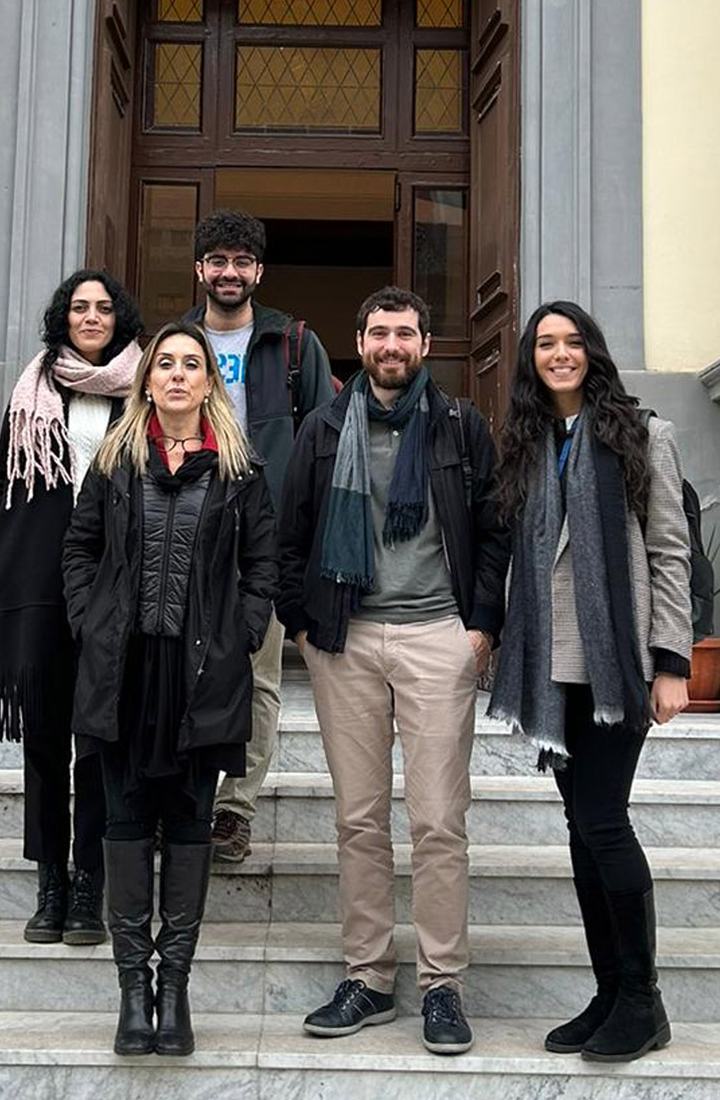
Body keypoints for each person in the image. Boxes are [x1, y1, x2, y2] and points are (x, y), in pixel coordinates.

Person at [278, 286, 508, 1056]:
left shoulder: (459, 425)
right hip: (345, 641)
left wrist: (480, 628)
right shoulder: (323, 428)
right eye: (379, 333)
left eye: (405, 334)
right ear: (360, 341)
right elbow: (290, 535)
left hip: (437, 636)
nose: (391, 346)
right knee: (359, 820)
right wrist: (303, 627)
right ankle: (369, 978)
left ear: (424, 344)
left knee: (438, 821)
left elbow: (494, 529)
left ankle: (443, 985)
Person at [62, 321, 278, 1057]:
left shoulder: (240, 471)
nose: (178, 375)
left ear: (209, 382)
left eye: (192, 364)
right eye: (166, 364)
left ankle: (175, 989)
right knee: (124, 820)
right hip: (123, 672)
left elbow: (263, 565)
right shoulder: (115, 461)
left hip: (201, 675)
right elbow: (80, 548)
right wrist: (90, 621)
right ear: (147, 381)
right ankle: (133, 992)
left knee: (188, 824)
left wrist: (242, 634)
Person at [486, 300, 692, 1063]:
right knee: (582, 828)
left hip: (617, 665)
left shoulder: (643, 435)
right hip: (553, 665)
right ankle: (610, 992)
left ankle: (643, 1000)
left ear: (592, 353)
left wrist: (672, 663)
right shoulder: (529, 443)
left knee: (604, 822)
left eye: (573, 342)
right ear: (531, 360)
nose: (560, 354)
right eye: (546, 344)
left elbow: (670, 551)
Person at [0, 268, 143, 945]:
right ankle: (50, 882)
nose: (92, 317)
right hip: (41, 587)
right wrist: (5, 557)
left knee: (98, 740)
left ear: (119, 318)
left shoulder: (141, 392)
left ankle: (88, 886)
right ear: (64, 318)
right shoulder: (34, 390)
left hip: (113, 585)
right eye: (80, 307)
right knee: (45, 740)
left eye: (104, 307)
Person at [183, 209, 335, 865]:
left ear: (259, 271)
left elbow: (327, 443)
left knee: (258, 677)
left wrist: (308, 537)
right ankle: (184, 798)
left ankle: (234, 809)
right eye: (218, 261)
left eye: (241, 262)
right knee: (179, 669)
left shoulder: (292, 342)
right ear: (200, 269)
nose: (229, 272)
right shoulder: (176, 341)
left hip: (263, 536)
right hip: (184, 529)